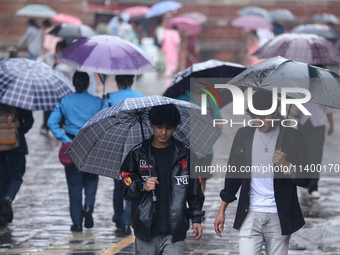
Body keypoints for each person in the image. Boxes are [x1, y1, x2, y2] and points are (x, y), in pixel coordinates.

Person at [214, 91, 310, 255]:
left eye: (264, 116)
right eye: (254, 116)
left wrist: (286, 165)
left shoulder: (293, 137)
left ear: (276, 110)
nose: (259, 121)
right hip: (249, 214)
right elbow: (233, 176)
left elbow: (305, 179)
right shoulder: (244, 135)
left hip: (280, 215)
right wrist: (221, 211)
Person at [120, 104, 204, 254]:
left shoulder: (185, 155)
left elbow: (195, 190)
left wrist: (196, 219)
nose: (163, 132)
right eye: (159, 127)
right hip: (145, 229)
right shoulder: (137, 154)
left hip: (174, 231)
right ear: (151, 125)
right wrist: (141, 186)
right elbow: (125, 181)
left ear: (175, 127)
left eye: (169, 127)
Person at [47, 72, 103, 232]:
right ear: (87, 84)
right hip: (91, 143)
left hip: (72, 144)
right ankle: (89, 207)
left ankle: (77, 222)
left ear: (74, 83)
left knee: (74, 184)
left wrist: (65, 139)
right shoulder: (97, 101)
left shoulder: (65, 101)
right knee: (92, 178)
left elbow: (51, 122)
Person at [102, 75, 144, 235]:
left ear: (117, 83)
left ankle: (118, 216)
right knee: (131, 182)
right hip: (135, 147)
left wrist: (105, 101)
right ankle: (128, 219)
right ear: (132, 81)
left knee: (118, 184)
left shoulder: (111, 98)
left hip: (116, 147)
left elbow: (102, 120)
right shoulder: (141, 98)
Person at [177, 86, 222, 192]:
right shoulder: (181, 98)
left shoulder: (210, 98)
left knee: (203, 178)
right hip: (184, 147)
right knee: (184, 177)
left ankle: (199, 204)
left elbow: (219, 123)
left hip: (205, 148)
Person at [0, 105, 34, 225]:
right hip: (15, 146)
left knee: (1, 179)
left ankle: (1, 214)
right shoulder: (18, 98)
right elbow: (29, 121)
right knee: (16, 176)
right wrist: (18, 130)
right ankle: (8, 197)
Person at [38, 40, 75, 136]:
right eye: (57, 48)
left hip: (62, 89)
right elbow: (40, 63)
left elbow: (69, 76)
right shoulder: (49, 57)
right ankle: (45, 126)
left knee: (61, 108)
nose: (58, 51)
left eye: (60, 49)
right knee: (48, 107)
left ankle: (60, 125)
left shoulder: (68, 62)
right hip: (50, 88)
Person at [298, 102, 333, 198]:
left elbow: (328, 111)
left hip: (318, 126)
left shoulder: (323, 92)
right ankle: (304, 181)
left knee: (316, 156)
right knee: (303, 155)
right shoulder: (302, 89)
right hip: (303, 124)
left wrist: (331, 125)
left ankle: (313, 186)